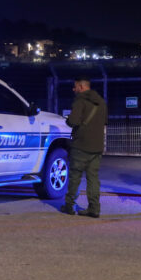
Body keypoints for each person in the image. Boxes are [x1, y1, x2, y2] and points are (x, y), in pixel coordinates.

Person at [60, 77, 108, 218]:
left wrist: (69, 120)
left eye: (75, 87)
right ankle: (94, 208)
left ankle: (70, 206)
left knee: (75, 177)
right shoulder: (101, 102)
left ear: (81, 87)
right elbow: (104, 121)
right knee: (93, 178)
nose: (74, 89)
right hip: (97, 146)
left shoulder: (80, 101)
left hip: (81, 145)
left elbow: (73, 121)